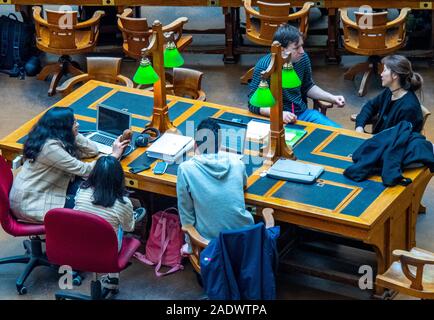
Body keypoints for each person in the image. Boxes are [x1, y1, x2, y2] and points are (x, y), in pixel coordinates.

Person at [9, 107, 129, 224]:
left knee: (91, 192)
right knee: (91, 207)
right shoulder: (49, 148)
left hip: (43, 190)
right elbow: (85, 170)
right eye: (74, 123)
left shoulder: (54, 138)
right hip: (31, 203)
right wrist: (114, 155)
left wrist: (74, 133)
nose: (78, 125)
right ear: (62, 128)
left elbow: (92, 150)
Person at [176, 118, 254, 251]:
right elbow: (243, 184)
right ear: (220, 145)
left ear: (195, 145)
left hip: (209, 244)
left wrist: (190, 246)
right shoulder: (238, 164)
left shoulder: (186, 169)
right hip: (245, 240)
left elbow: (186, 214)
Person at [248, 24, 345, 127]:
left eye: (302, 46)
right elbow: (253, 105)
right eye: (297, 48)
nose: (302, 51)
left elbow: (307, 86)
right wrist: (279, 114)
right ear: (282, 50)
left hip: (302, 114)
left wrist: (332, 98)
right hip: (273, 119)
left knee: (340, 133)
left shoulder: (302, 58)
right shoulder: (265, 67)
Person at [73, 155, 146, 292]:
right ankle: (112, 278)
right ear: (119, 178)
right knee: (118, 228)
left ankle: (111, 278)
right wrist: (130, 218)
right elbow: (128, 228)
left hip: (78, 244)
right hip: (106, 250)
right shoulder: (123, 203)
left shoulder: (81, 190)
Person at [355, 55, 424, 134]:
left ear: (394, 75)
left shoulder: (408, 109)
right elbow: (370, 106)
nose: (381, 74)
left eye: (384, 70)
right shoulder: (390, 91)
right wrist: (359, 127)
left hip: (388, 144)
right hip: (379, 140)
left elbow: (398, 140)